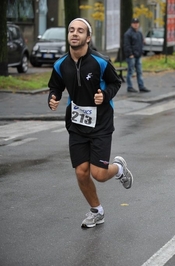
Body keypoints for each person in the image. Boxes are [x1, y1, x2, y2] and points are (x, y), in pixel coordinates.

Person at [47, 18, 133, 228]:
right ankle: (97, 211)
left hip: (101, 123)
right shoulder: (61, 64)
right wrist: (53, 96)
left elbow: (115, 82)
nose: (75, 34)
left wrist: (104, 95)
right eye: (71, 30)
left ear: (88, 37)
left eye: (80, 31)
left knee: (99, 174)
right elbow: (55, 85)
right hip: (76, 123)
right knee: (81, 172)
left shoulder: (100, 61)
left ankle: (119, 169)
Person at [123, 18, 150, 93]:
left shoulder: (139, 33)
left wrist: (142, 50)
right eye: (134, 23)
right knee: (131, 71)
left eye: (137, 23)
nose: (136, 24)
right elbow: (126, 45)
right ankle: (130, 87)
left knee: (139, 71)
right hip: (132, 56)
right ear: (131, 24)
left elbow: (141, 42)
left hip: (138, 55)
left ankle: (141, 86)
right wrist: (130, 54)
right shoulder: (128, 33)